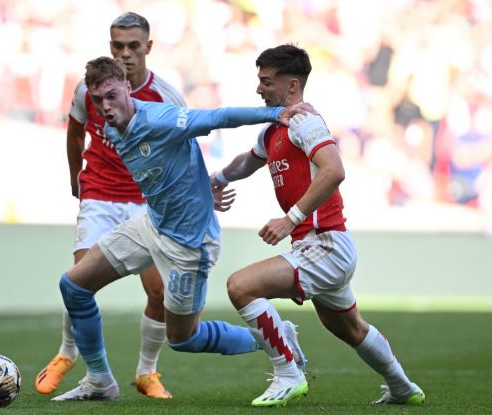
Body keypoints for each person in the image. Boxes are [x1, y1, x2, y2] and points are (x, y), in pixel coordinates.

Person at [54, 55, 310, 401]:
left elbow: (219, 117)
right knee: (74, 286)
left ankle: (273, 336)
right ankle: (100, 380)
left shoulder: (161, 118)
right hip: (152, 226)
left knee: (183, 339)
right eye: (98, 100)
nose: (106, 106)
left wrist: (272, 114)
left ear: (128, 87)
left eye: (112, 95)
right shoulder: (113, 127)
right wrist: (203, 191)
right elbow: (167, 169)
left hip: (190, 245)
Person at [209, 44, 426, 407]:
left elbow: (335, 170)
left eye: (265, 82)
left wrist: (289, 218)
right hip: (319, 246)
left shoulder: (304, 121)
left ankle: (288, 374)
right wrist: (216, 178)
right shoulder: (275, 128)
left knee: (241, 286)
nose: (259, 89)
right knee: (350, 328)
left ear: (292, 86)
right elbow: (248, 162)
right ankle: (403, 388)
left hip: (324, 244)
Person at [36, 12, 185, 399]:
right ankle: (67, 354)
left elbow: (184, 151)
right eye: (118, 46)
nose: (125, 54)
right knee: (79, 281)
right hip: (99, 195)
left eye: (133, 46)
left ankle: (147, 373)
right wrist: (75, 179)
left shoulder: (166, 97)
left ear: (148, 48)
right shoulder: (89, 89)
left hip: (145, 204)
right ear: (110, 46)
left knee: (159, 293)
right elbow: (74, 130)